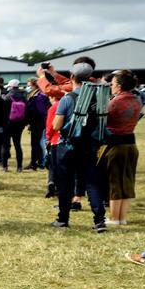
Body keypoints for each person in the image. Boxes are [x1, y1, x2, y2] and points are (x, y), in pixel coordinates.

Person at [50, 60, 106, 232]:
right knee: (92, 183)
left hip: (68, 147)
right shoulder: (100, 97)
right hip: (89, 146)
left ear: (72, 77)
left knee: (65, 183)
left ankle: (63, 219)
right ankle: (99, 221)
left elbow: (56, 126)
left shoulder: (68, 99)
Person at [103, 70, 142, 226]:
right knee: (127, 181)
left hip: (116, 145)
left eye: (112, 84)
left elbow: (105, 122)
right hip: (131, 144)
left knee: (114, 182)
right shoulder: (137, 100)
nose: (111, 86)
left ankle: (114, 218)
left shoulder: (114, 102)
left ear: (118, 86)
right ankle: (122, 218)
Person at [2, 79, 28, 172]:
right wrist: (24, 123)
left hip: (8, 124)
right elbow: (27, 112)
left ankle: (5, 167)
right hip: (19, 125)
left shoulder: (7, 97)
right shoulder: (24, 97)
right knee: (18, 145)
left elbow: (3, 113)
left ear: (11, 87)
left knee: (5, 146)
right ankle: (19, 167)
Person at [26, 78, 49, 170]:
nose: (28, 87)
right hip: (37, 122)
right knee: (37, 143)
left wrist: (31, 122)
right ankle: (37, 162)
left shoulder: (39, 96)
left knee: (36, 143)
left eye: (29, 85)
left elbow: (40, 111)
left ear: (35, 85)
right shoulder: (35, 95)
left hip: (37, 123)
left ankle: (36, 163)